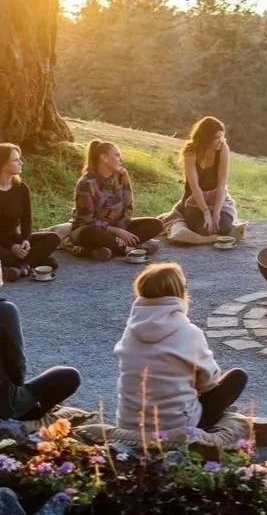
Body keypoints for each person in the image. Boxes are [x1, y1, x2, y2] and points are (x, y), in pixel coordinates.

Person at [114, 262, 247, 434]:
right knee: (237, 377)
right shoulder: (190, 333)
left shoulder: (130, 333)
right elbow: (209, 383)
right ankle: (205, 426)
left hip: (129, 424)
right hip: (177, 425)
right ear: (179, 294)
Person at [0, 263, 81, 420]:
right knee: (69, 376)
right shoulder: (4, 311)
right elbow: (17, 371)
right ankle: (33, 416)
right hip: (5, 406)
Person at [71, 140, 163, 261]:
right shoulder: (86, 184)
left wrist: (121, 229)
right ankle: (127, 250)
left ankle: (104, 250)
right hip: (91, 231)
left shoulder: (122, 175)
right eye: (117, 155)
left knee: (155, 224)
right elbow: (86, 220)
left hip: (118, 227)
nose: (121, 159)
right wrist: (116, 231)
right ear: (104, 157)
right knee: (89, 232)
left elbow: (129, 206)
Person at [0, 144, 60, 282]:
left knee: (53, 238)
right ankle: (34, 261)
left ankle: (22, 267)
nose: (21, 162)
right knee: (7, 255)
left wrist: (25, 240)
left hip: (15, 237)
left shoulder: (21, 188)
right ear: (3, 164)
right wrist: (11, 247)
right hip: (2, 244)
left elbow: (27, 219)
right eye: (16, 160)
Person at [175, 116, 238, 237]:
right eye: (217, 138)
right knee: (204, 229)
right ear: (206, 138)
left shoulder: (223, 149)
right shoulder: (191, 151)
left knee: (222, 227)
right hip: (194, 199)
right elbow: (194, 187)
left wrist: (216, 213)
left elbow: (221, 184)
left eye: (222, 136)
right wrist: (206, 212)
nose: (221, 140)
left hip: (216, 198)